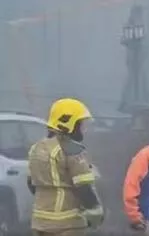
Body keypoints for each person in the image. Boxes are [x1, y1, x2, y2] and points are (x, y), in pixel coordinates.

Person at [28, 98, 104, 236]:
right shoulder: (72, 150)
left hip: (40, 222)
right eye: (81, 124)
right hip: (68, 224)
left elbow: (31, 183)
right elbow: (84, 187)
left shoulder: (36, 148)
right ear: (68, 123)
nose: (84, 129)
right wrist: (95, 211)